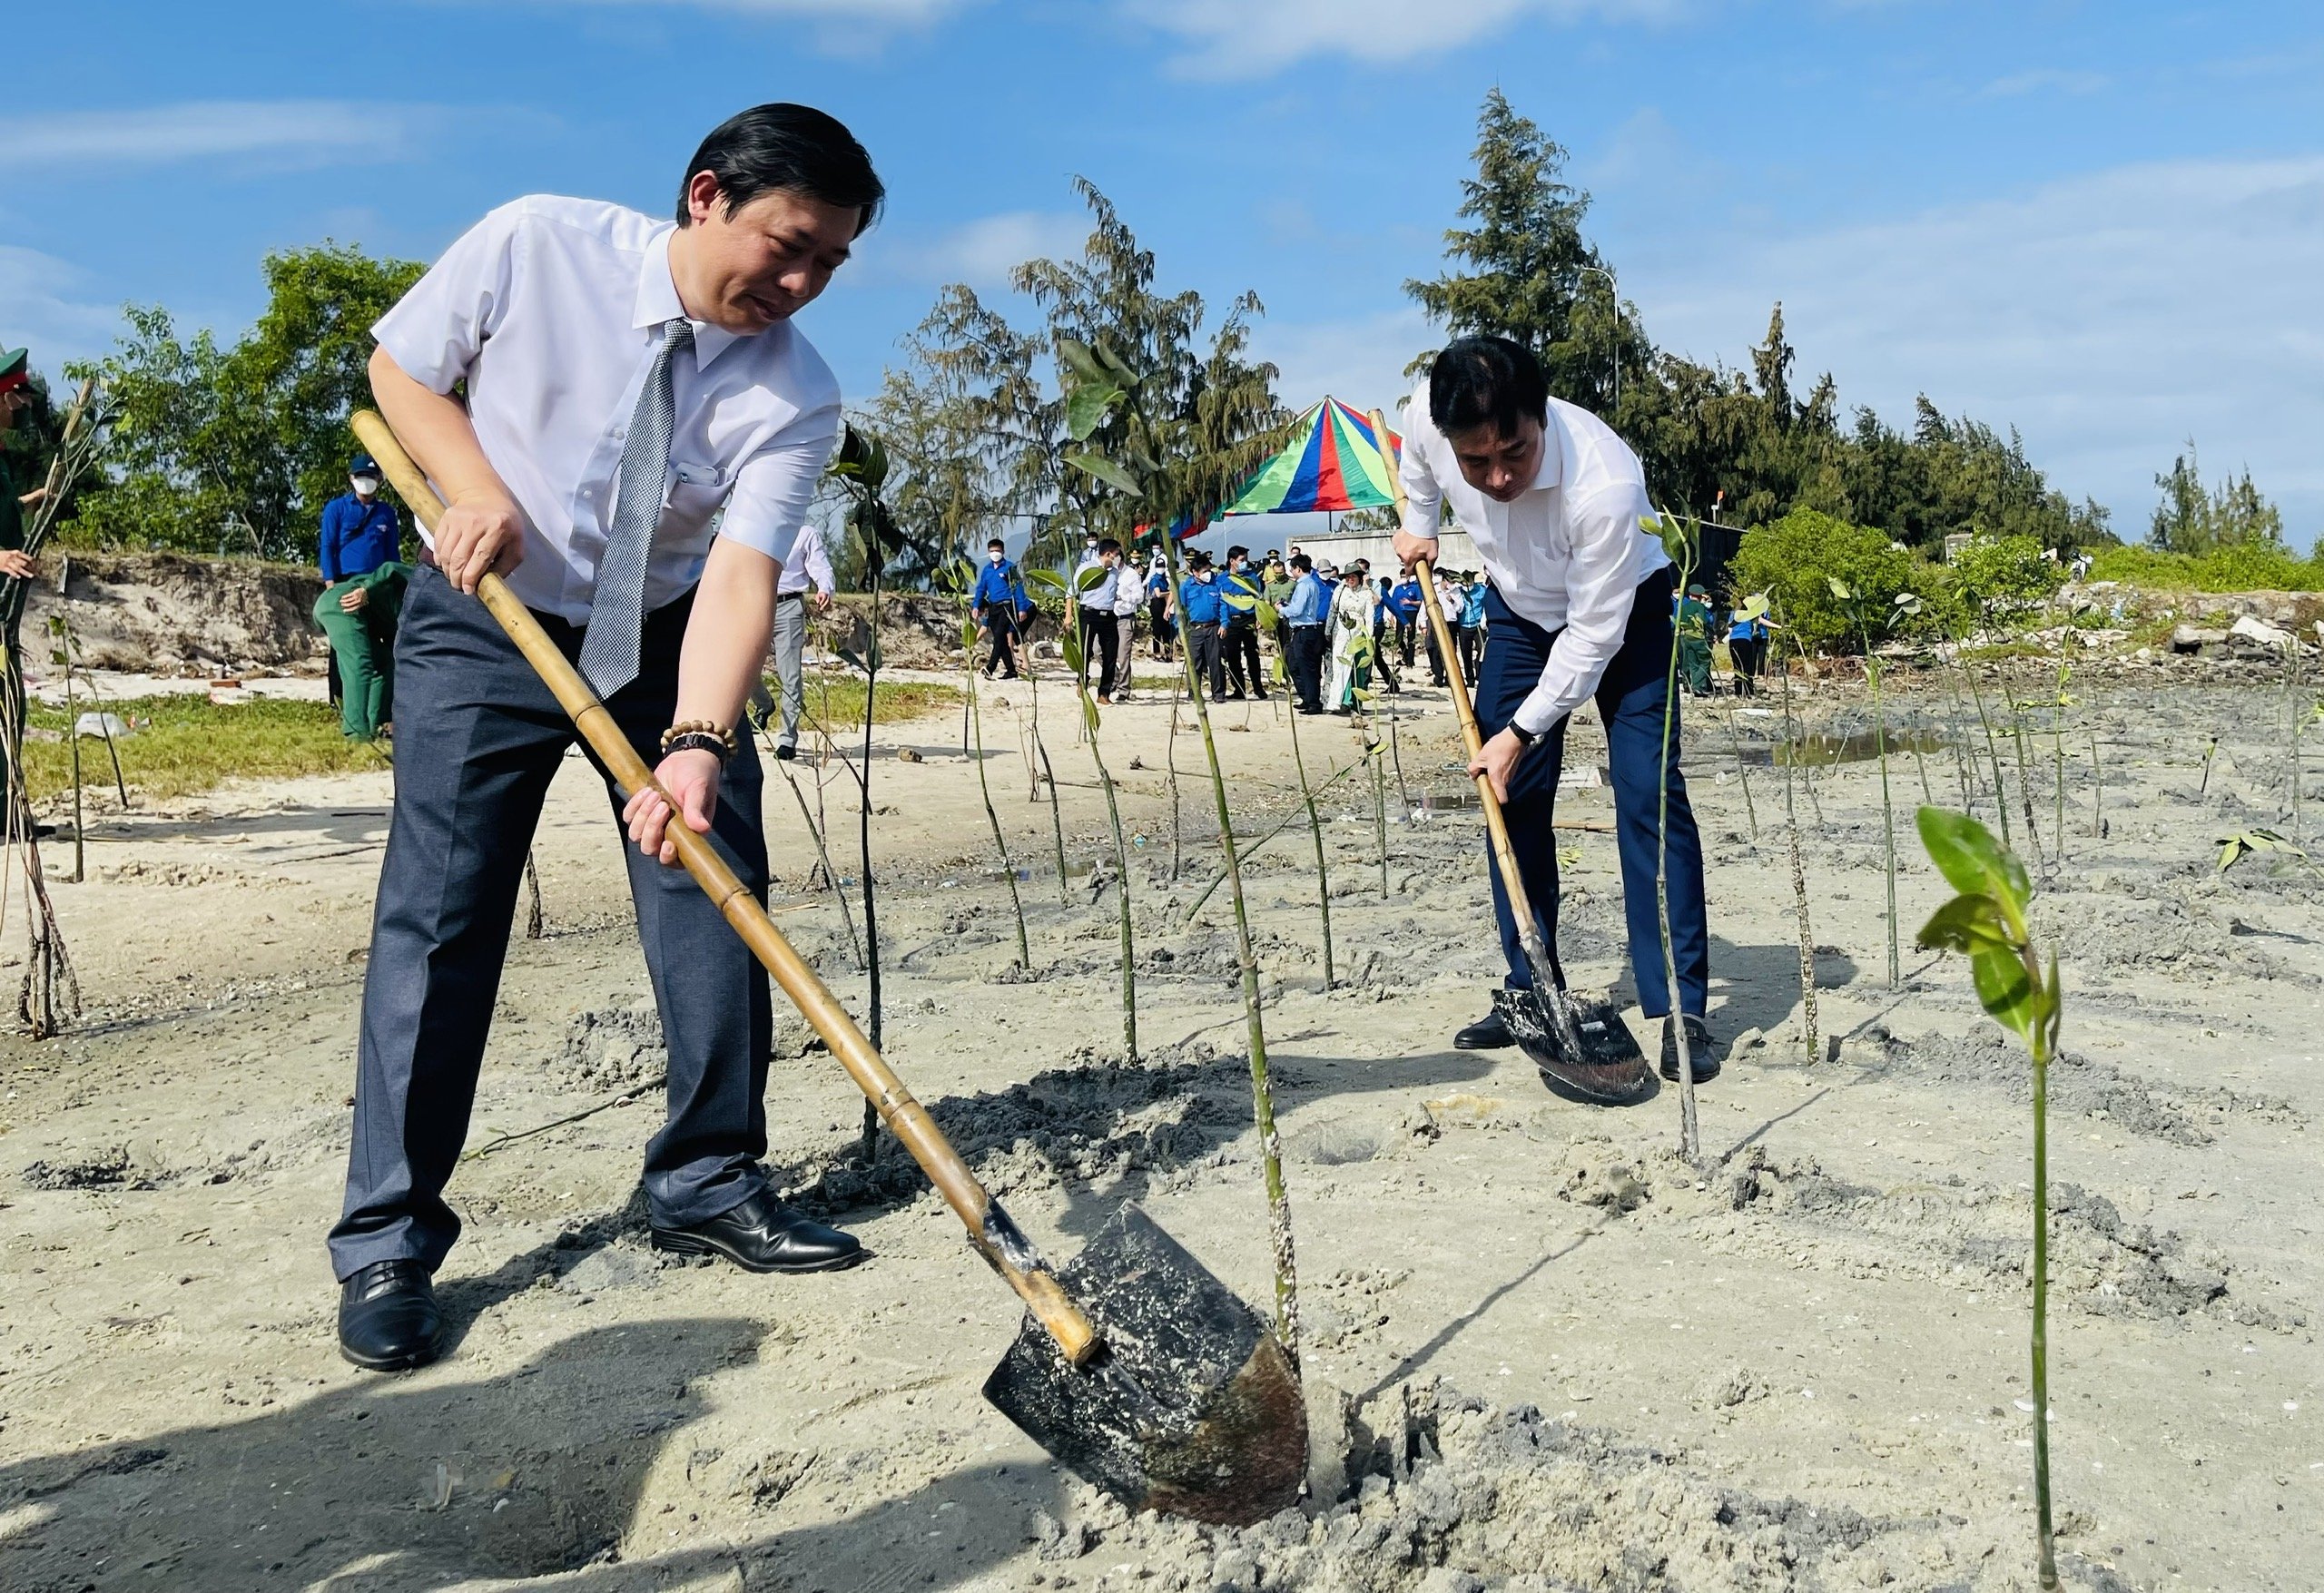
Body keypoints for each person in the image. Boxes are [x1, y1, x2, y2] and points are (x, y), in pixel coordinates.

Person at [330, 103, 884, 1373]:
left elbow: (743, 576)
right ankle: (387, 1238)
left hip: (664, 630)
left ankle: (705, 1173)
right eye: (787, 247)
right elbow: (400, 370)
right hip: (488, 615)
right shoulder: (535, 243)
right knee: (443, 908)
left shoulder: (797, 392)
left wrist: (697, 738)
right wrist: (476, 488)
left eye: (829, 267)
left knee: (709, 867)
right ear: (705, 197)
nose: (799, 286)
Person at [1391, 334, 1712, 1082]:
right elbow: (1416, 465)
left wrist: (1520, 729)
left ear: (1542, 418)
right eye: (1477, 462)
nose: (1498, 476)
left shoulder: (1604, 485)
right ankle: (1533, 986)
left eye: (1516, 453)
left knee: (1646, 793)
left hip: (1625, 616)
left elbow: (1594, 637)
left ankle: (1680, 1008)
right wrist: (1422, 522)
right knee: (1512, 793)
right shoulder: (1424, 419)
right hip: (1518, 612)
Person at [767, 518, 834, 759]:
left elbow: (821, 566)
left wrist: (825, 587)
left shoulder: (806, 533)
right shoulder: (757, 527)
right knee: (741, 667)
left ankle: (787, 740)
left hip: (789, 605)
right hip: (756, 603)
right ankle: (765, 704)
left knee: (790, 675)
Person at [971, 536, 1032, 679]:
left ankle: (990, 668)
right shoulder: (987, 570)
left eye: (997, 550)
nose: (995, 553)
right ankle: (1011, 670)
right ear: (988, 552)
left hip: (1007, 606)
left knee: (999, 635)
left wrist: (1022, 608)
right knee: (1001, 639)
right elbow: (981, 588)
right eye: (992, 551)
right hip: (993, 607)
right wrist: (975, 605)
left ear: (1003, 551)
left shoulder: (1009, 567)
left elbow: (1018, 588)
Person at [1076, 536, 1125, 703]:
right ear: (1109, 554)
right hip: (1089, 614)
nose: (1118, 557)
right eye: (1116, 554)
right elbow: (1071, 592)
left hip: (1108, 616)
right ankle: (1082, 682)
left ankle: (1104, 693)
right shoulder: (1086, 568)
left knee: (1110, 654)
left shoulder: (1115, 572)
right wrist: (1068, 616)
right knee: (1085, 651)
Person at [1280, 552, 1329, 713]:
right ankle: (1307, 698)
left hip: (1304, 631)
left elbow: (1297, 610)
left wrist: (1282, 609)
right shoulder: (1312, 583)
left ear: (1298, 569)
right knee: (1296, 665)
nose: (1292, 573)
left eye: (1292, 569)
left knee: (1307, 668)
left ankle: (1313, 703)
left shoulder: (1303, 585)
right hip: (1308, 630)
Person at [1217, 545, 1267, 701]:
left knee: (1252, 655)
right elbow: (1221, 602)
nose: (1245, 562)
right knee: (1232, 657)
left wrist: (1260, 618)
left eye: (1246, 559)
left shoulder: (1251, 577)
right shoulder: (1222, 580)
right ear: (1232, 561)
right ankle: (1239, 689)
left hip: (1249, 620)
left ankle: (1258, 688)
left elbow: (1259, 599)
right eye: (1242, 560)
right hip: (1231, 621)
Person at [1324, 564, 1374, 713]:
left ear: (1359, 578)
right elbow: (1333, 611)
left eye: (1353, 576)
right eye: (1348, 577)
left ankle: (1357, 703)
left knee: (1358, 670)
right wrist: (1328, 631)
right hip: (1342, 633)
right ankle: (1340, 701)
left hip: (1360, 634)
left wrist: (1369, 638)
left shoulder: (1366, 594)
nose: (1350, 580)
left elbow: (1369, 617)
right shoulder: (1340, 591)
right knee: (1341, 666)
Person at [1178, 549, 1226, 701]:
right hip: (1195, 629)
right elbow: (1181, 609)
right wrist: (1179, 630)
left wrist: (1225, 624)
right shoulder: (1186, 587)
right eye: (1204, 571)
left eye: (1209, 570)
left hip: (1214, 627)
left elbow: (1224, 605)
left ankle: (1218, 695)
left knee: (1216, 662)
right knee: (1194, 663)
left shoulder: (1216, 584)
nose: (1208, 573)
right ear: (1195, 572)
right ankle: (1194, 694)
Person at [1108, 542, 1144, 697]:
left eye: (1115, 556)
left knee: (1123, 654)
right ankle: (1115, 677)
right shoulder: (1107, 572)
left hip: (1125, 618)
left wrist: (1123, 597)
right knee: (1099, 651)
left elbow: (1139, 596)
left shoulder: (1131, 574)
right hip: (1108, 618)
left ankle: (1124, 689)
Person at [1677, 584, 1714, 697]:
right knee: (1705, 661)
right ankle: (1697, 686)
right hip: (1697, 637)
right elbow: (1704, 621)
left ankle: (1696, 688)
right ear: (1701, 595)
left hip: (1686, 637)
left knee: (1693, 663)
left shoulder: (1683, 606)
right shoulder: (1700, 607)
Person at [1726, 600, 1768, 696]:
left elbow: (1730, 629)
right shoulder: (1750, 614)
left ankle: (1738, 690)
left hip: (1733, 641)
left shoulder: (1733, 613)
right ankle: (1748, 690)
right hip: (1745, 640)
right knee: (1747, 666)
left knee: (1737, 666)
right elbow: (1756, 626)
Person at [1386, 567, 1423, 668]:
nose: (1404, 578)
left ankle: (1410, 662)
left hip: (1411, 612)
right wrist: (1392, 616)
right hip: (1400, 613)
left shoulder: (1414, 588)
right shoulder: (1397, 589)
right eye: (1402, 577)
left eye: (1405, 576)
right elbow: (1393, 603)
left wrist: (1410, 602)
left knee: (1411, 637)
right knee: (1398, 637)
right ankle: (1406, 655)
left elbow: (1420, 602)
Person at [1457, 569, 1487, 689]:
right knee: (1466, 654)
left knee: (1482, 651)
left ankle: (1479, 675)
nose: (1467, 586)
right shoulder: (1459, 592)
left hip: (1478, 625)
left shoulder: (1481, 591)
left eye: (1469, 583)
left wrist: (1484, 620)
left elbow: (1486, 606)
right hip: (1464, 626)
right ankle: (1469, 679)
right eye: (1465, 583)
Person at [1145, 550, 1175, 661]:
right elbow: (1158, 594)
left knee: (1166, 629)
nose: (1160, 568)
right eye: (1159, 566)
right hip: (1156, 605)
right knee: (1157, 628)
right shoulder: (1154, 579)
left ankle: (1168, 653)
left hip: (1164, 604)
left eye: (1162, 566)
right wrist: (1170, 592)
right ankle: (1157, 653)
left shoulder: (1164, 580)